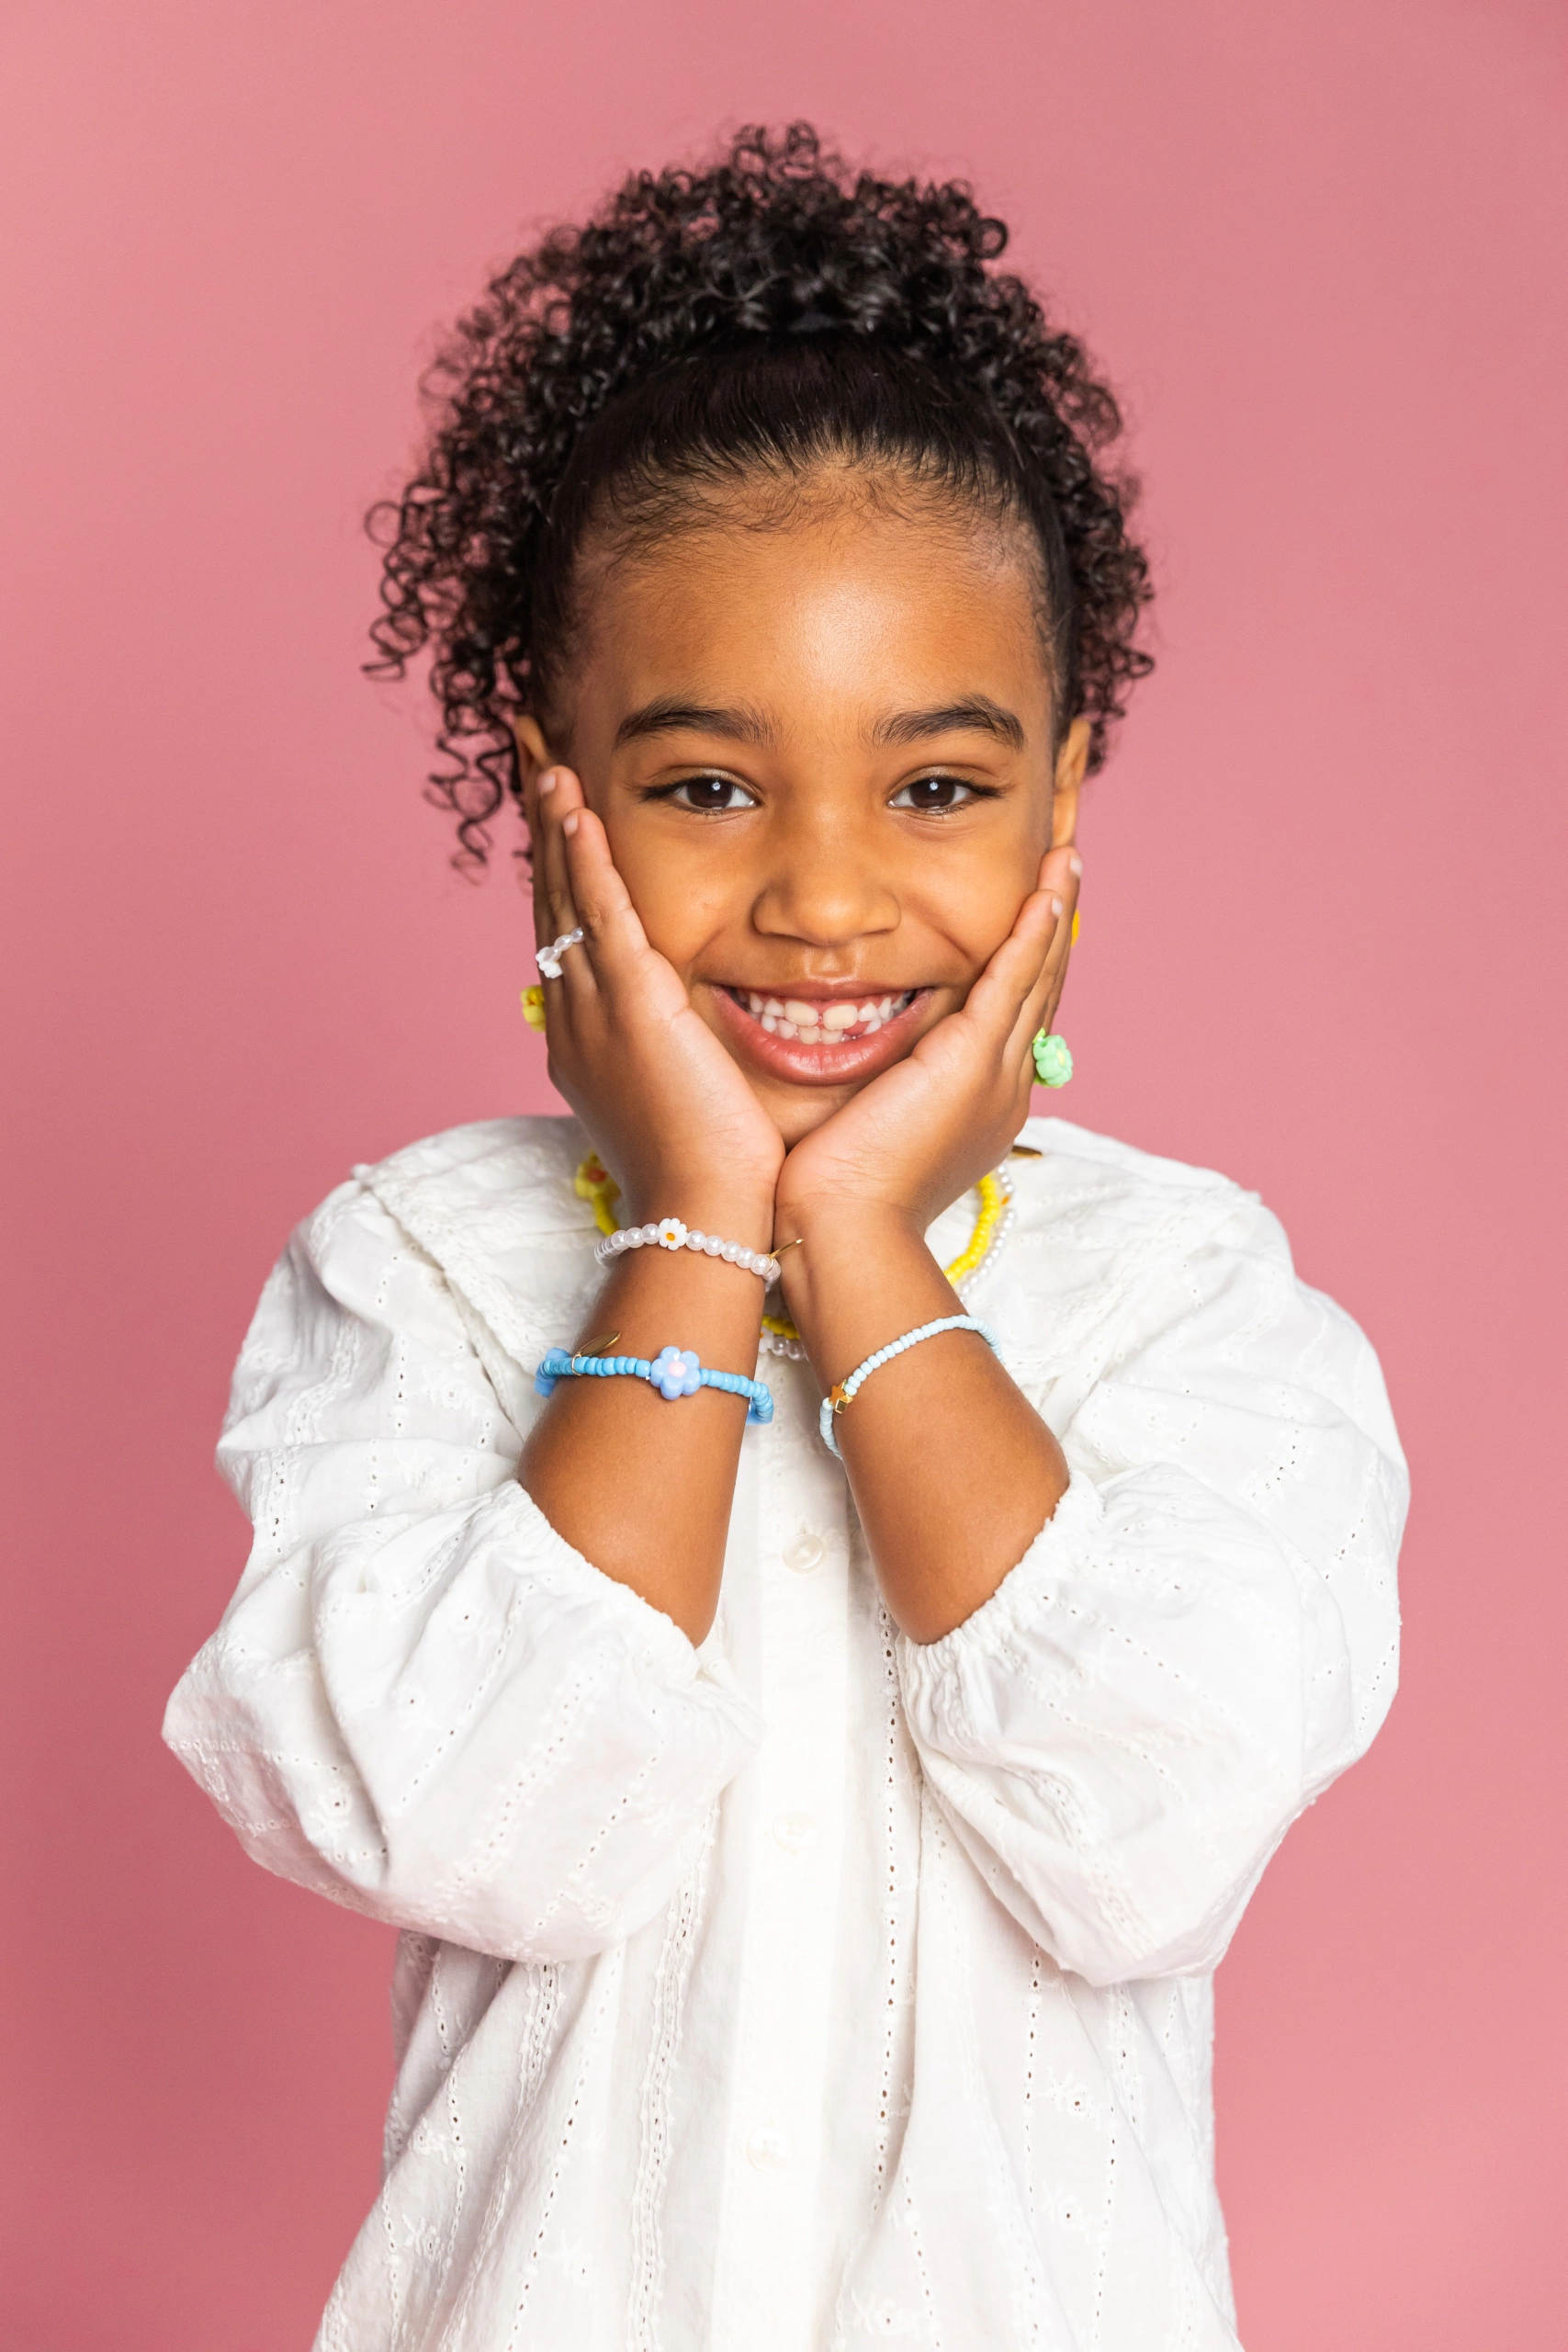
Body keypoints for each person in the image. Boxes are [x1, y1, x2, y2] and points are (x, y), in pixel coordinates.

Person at [164, 123, 1406, 2351]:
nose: (825, 898)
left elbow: (1146, 1832)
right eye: (707, 783)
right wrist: (701, 1234)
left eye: (934, 785)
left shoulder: (1195, 1298)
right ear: (552, 802)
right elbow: (465, 1817)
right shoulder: (409, 1270)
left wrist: (859, 1242)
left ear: (1062, 786)